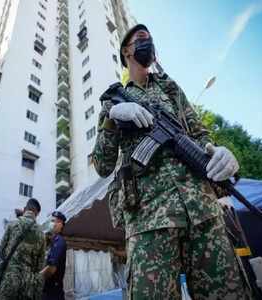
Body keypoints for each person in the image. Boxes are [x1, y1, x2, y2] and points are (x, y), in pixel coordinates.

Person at [92, 24, 252, 299]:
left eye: (150, 40)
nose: (148, 44)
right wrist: (113, 118)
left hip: (202, 210)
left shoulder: (170, 88)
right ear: (126, 52)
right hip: (149, 217)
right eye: (141, 40)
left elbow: (199, 134)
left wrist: (218, 151)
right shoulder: (112, 102)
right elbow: (102, 164)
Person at [0, 198, 46, 300]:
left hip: (9, 280)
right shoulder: (41, 233)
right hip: (28, 285)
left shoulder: (12, 224)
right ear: (37, 214)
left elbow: (1, 252)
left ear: (24, 209)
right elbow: (40, 265)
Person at [41, 211, 67, 300]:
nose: (51, 223)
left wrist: (36, 279)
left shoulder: (59, 242)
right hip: (47, 290)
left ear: (60, 224)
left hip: (53, 293)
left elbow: (51, 268)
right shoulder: (51, 241)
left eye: (53, 221)